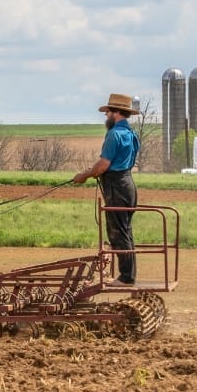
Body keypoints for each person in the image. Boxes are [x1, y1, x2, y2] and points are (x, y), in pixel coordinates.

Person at [73, 93, 140, 286]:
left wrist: (84, 175)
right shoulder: (131, 134)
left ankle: (126, 278)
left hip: (116, 186)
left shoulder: (114, 134)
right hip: (128, 184)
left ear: (116, 113)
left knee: (117, 233)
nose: (106, 116)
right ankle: (128, 275)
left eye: (108, 112)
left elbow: (103, 164)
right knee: (125, 231)